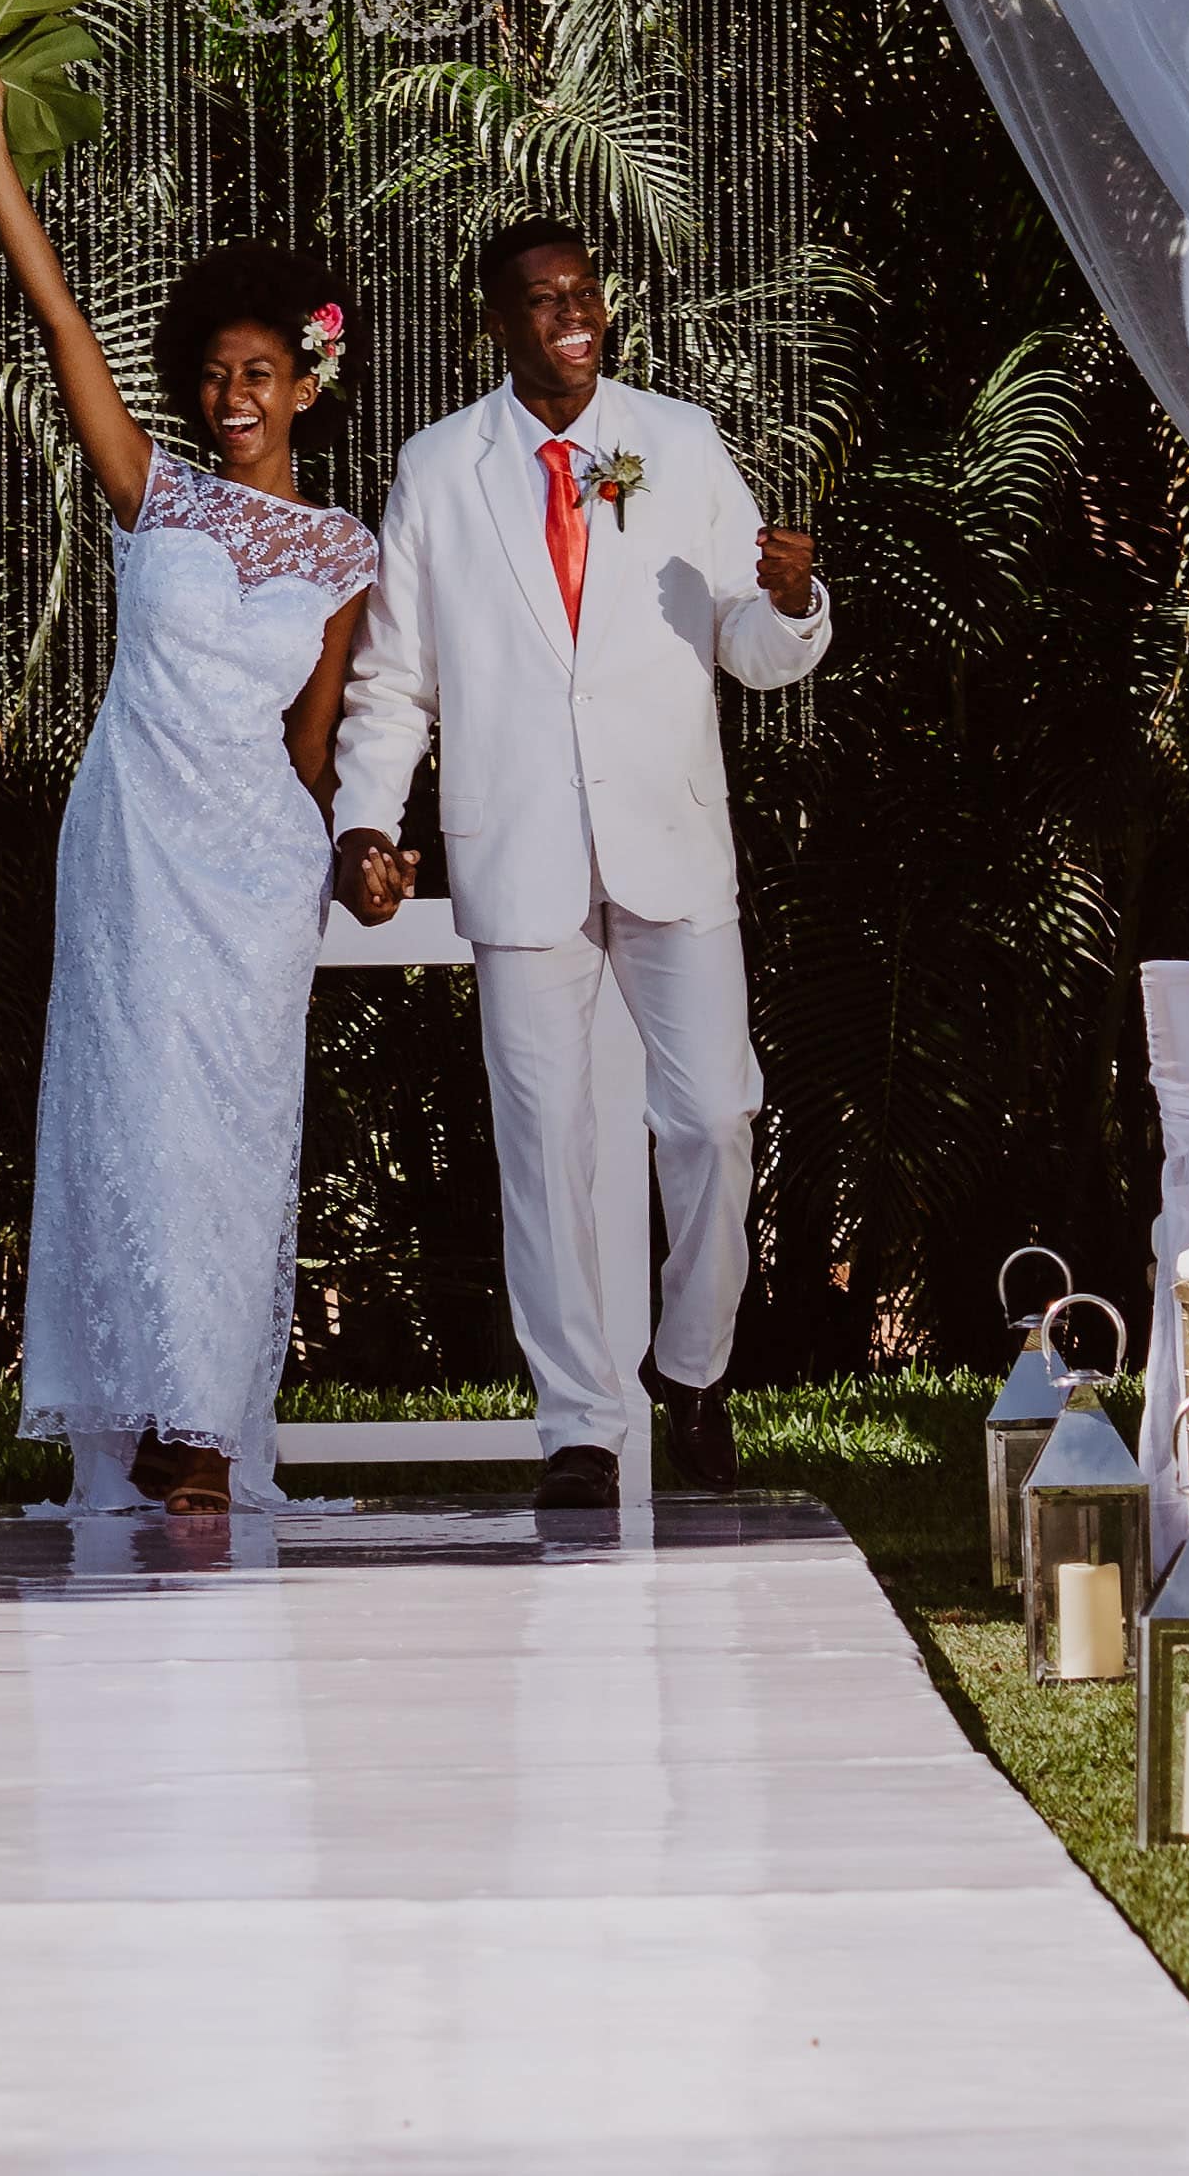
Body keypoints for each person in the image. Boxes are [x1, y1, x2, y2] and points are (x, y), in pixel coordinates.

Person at [325, 218, 829, 1506]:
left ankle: (695, 1370)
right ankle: (580, 1430)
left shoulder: (677, 443)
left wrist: (787, 607)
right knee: (544, 1144)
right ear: (498, 324)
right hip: (522, 847)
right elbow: (392, 681)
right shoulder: (442, 470)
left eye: (584, 295)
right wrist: (366, 820)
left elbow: (744, 644)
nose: (570, 314)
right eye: (541, 300)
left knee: (716, 1112)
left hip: (668, 832)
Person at [0, 52, 379, 1517]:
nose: (230, 393)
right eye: (215, 370)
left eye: (260, 372)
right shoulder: (157, 491)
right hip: (133, 840)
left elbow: (312, 746)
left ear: (307, 383)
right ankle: (141, 1398)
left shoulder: (344, 553)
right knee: (130, 1113)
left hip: (256, 868)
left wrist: (349, 859)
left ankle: (205, 1424)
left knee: (234, 1135)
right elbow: (58, 310)